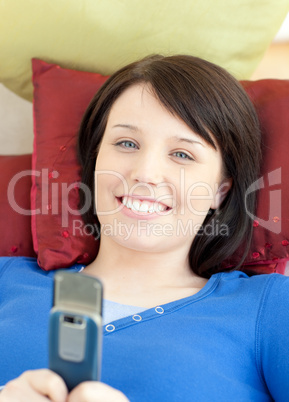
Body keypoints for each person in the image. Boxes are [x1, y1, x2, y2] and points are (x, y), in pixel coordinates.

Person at [1, 54, 289, 401]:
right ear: (95, 162)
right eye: (126, 144)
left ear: (220, 190)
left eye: (183, 154)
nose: (145, 173)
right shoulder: (6, 280)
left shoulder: (269, 308)